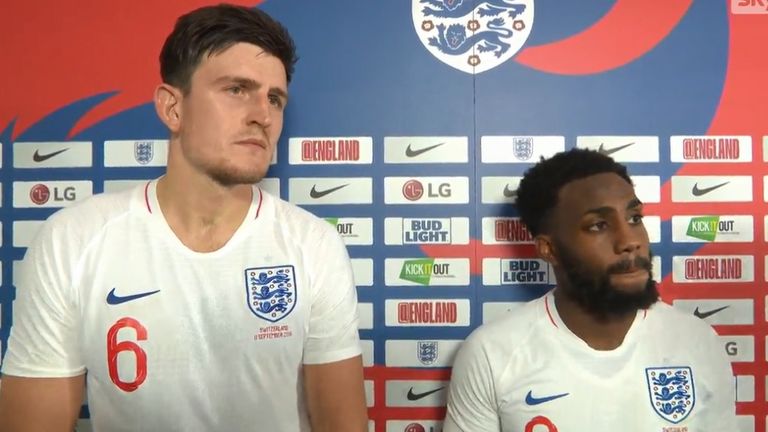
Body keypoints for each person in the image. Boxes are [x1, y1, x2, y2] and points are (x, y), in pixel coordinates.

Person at [0, 4, 368, 431]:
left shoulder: (313, 246)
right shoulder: (73, 240)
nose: (262, 115)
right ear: (172, 108)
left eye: (274, 98)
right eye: (236, 89)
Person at [444, 148, 736, 431]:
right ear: (550, 249)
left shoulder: (698, 342)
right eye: (598, 225)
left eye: (634, 218)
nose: (629, 241)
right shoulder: (492, 353)